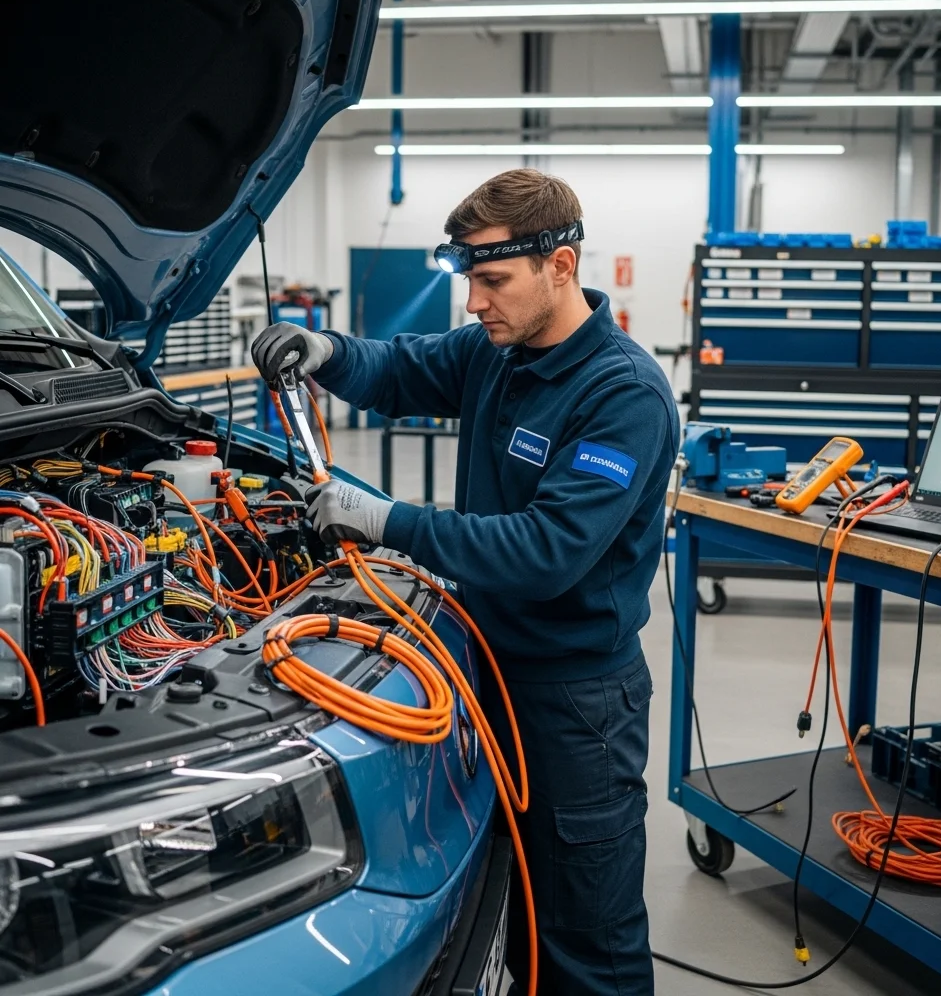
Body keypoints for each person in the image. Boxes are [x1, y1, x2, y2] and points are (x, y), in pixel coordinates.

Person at [250, 168, 680, 996]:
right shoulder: (500, 352)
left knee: (588, 937)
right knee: (514, 907)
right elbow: (401, 369)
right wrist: (325, 351)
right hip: (488, 671)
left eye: (492, 280)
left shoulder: (621, 394)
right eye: (469, 281)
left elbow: (546, 550)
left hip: (576, 704)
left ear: (561, 264)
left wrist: (383, 521)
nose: (474, 303)